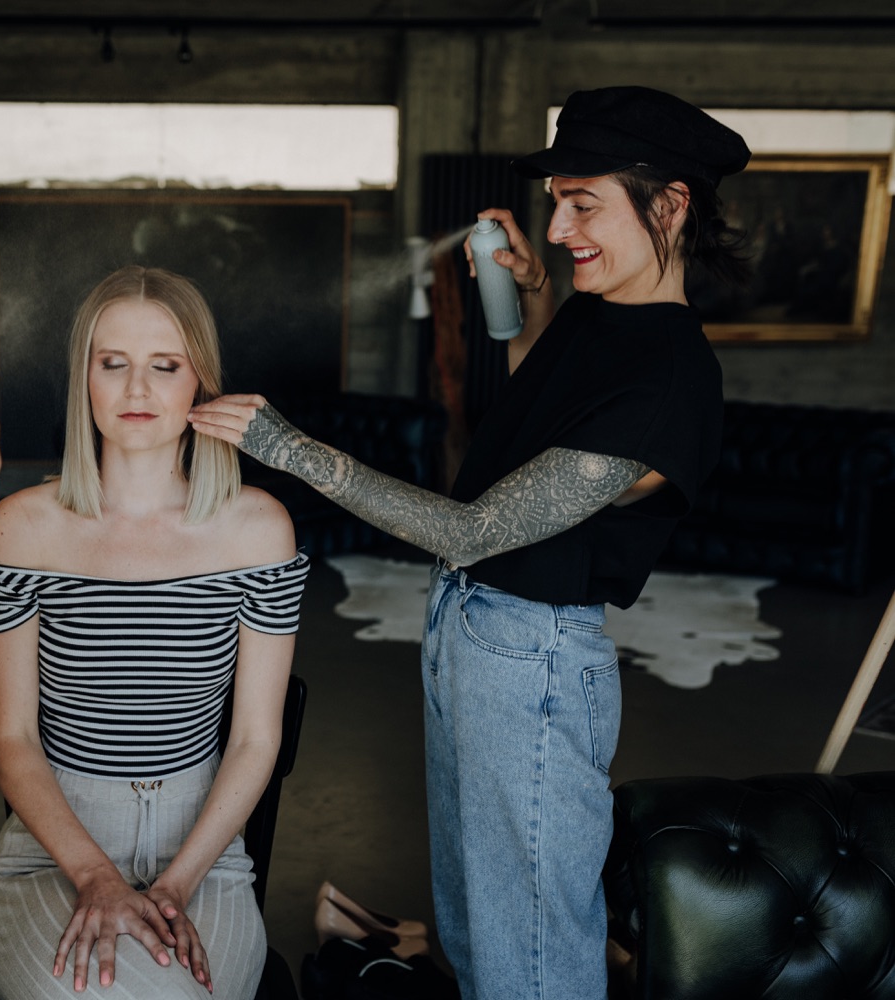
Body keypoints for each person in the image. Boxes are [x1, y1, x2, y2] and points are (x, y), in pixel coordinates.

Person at [189, 86, 750, 999]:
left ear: (672, 204)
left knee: (530, 957)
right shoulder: (599, 310)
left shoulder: (671, 378)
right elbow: (541, 408)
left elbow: (474, 530)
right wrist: (527, 297)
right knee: (474, 921)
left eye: (585, 204)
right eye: (557, 202)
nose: (562, 227)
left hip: (532, 660)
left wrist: (287, 450)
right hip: (477, 632)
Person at [0, 265, 309, 999]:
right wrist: (94, 876)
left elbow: (255, 738)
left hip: (205, 854)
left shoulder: (259, 530)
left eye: (166, 367)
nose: (137, 390)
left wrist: (179, 883)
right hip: (52, 851)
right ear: (83, 378)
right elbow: (11, 739)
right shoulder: (20, 528)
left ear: (201, 384)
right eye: (112, 364)